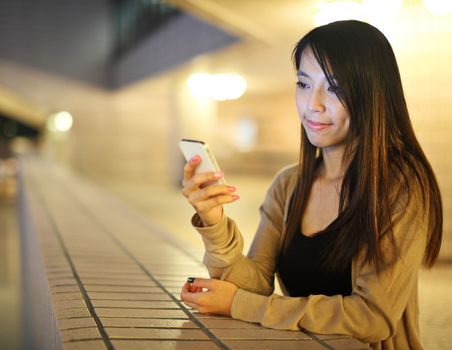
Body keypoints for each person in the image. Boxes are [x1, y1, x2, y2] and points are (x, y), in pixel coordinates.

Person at [180, 20, 443, 349]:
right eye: (304, 84)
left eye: (334, 87)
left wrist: (240, 305)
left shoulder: (401, 186)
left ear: (371, 93)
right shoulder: (289, 184)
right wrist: (214, 220)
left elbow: (372, 317)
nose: (312, 104)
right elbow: (256, 283)